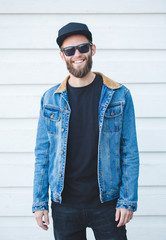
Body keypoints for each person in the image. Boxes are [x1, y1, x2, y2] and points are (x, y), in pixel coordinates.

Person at [32, 22, 140, 240]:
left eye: (82, 47)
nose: (77, 54)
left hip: (108, 204)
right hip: (64, 206)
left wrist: (127, 201)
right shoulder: (50, 99)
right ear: (62, 56)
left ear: (93, 49)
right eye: (69, 50)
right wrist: (39, 202)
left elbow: (129, 152)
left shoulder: (119, 95)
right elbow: (43, 155)